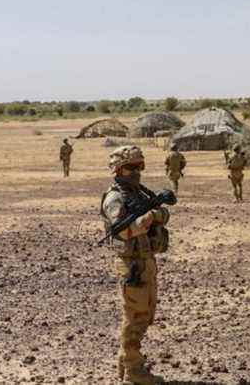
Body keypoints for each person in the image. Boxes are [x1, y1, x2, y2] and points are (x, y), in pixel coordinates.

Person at [100, 145, 172, 384]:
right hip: (131, 265)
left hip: (146, 261)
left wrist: (158, 214)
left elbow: (163, 211)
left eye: (139, 166)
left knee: (146, 315)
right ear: (118, 170)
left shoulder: (139, 193)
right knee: (135, 317)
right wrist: (150, 217)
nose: (137, 172)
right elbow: (124, 231)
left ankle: (126, 363)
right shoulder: (115, 198)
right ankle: (133, 371)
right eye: (131, 167)